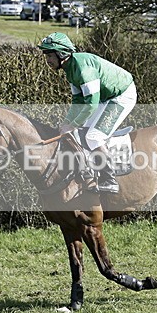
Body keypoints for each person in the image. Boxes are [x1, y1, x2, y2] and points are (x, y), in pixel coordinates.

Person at [37, 32, 136, 194]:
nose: (47, 60)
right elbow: (78, 101)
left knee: (94, 136)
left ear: (61, 54)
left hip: (122, 95)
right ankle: (91, 171)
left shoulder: (83, 69)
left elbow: (91, 105)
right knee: (82, 133)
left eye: (49, 55)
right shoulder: (70, 69)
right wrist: (66, 124)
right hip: (105, 97)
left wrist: (72, 124)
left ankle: (109, 180)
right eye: (46, 55)